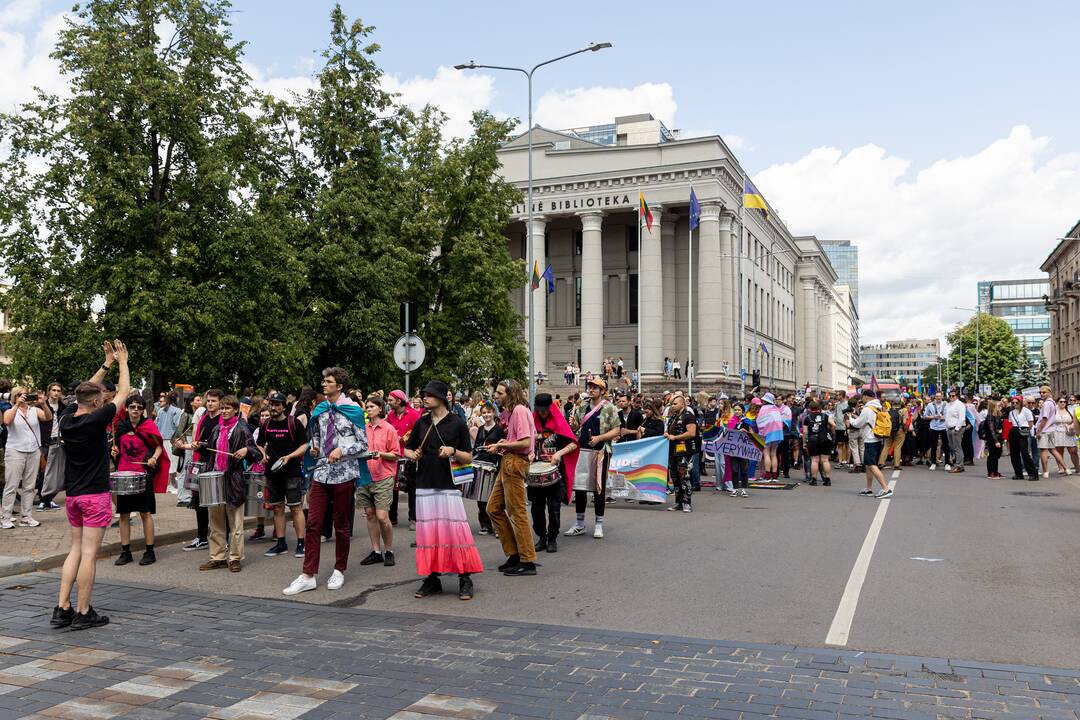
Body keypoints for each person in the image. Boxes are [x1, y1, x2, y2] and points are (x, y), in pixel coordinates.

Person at [52, 340, 130, 630]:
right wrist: (122, 361)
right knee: (88, 554)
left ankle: (62, 607)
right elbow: (122, 392)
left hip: (73, 496)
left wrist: (106, 363)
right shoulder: (98, 417)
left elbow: (82, 392)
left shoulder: (67, 418)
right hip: (94, 494)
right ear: (97, 401)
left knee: (74, 550)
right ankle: (83, 611)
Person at [284, 367, 369, 595]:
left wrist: (342, 449)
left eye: (328, 381)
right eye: (324, 380)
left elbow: (363, 445)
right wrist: (314, 447)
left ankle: (339, 569)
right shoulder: (320, 409)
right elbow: (318, 436)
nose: (324, 384)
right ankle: (308, 574)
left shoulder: (353, 410)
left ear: (339, 386)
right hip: (321, 473)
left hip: (344, 474)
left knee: (341, 525)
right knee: (314, 523)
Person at [405, 380, 483, 600]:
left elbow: (468, 456)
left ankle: (465, 578)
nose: (424, 398)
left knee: (455, 533)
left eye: (428, 395)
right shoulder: (422, 423)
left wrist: (452, 451)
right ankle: (432, 578)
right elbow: (408, 449)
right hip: (424, 484)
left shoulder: (457, 423)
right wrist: (412, 455)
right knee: (428, 535)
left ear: (439, 398)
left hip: (448, 485)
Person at [199, 395, 262, 573]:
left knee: (235, 524)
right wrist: (198, 446)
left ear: (235, 410)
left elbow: (256, 453)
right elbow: (210, 449)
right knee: (215, 522)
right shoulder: (217, 429)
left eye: (228, 408)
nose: (225, 411)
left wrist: (246, 449)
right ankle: (217, 557)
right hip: (216, 478)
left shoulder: (242, 428)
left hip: (234, 479)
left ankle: (234, 558)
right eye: (223, 408)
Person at [111, 393, 170, 567]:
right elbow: (117, 450)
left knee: (145, 513)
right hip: (124, 474)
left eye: (139, 407)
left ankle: (150, 551)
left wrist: (154, 458)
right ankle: (125, 551)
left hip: (143, 475)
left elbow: (159, 446)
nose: (135, 410)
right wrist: (114, 451)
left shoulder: (148, 425)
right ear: (127, 409)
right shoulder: (120, 427)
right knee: (123, 514)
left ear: (143, 410)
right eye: (132, 407)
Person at [487, 379, 537, 576]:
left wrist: (502, 445)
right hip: (508, 461)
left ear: (510, 393)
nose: (496, 396)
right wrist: (502, 443)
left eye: (500, 393)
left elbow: (525, 442)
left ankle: (527, 559)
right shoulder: (511, 412)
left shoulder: (519, 411)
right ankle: (514, 554)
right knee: (493, 509)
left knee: (517, 512)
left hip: (515, 462)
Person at [566, 378, 620, 538]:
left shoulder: (610, 407)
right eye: (590, 387)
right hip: (582, 450)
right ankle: (579, 523)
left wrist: (600, 438)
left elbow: (616, 430)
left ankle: (599, 524)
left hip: (601, 451)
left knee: (599, 488)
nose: (591, 390)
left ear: (603, 391)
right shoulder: (582, 405)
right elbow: (575, 426)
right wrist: (572, 423)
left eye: (595, 387)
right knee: (580, 487)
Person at [259, 393, 308, 559]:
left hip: (292, 473)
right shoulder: (265, 424)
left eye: (277, 405)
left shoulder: (293, 423)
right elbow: (258, 444)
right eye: (271, 404)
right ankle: (281, 543)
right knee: (277, 508)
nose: (273, 408)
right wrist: (263, 454)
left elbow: (304, 446)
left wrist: (289, 457)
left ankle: (301, 543)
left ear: (284, 407)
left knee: (295, 508)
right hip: (273, 474)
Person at [531, 393, 578, 553]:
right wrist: (529, 453)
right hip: (536, 474)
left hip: (555, 473)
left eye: (545, 410)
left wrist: (559, 454)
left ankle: (552, 539)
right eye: (540, 410)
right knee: (536, 508)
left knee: (553, 507)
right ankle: (541, 538)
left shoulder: (559, 421)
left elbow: (573, 444)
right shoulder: (532, 421)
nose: (542, 413)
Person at [2, 386, 52, 528]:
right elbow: (7, 421)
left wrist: (43, 404)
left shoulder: (34, 410)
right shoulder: (10, 410)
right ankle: (5, 517)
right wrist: (17, 405)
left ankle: (26, 517)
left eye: (26, 394)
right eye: (20, 395)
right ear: (15, 397)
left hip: (33, 450)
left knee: (29, 486)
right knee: (11, 485)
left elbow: (48, 418)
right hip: (15, 451)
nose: (24, 397)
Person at [357, 394, 397, 568]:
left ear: (380, 409)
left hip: (383, 477)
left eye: (372, 406)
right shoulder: (362, 429)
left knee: (382, 517)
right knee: (370, 515)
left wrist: (381, 454)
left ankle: (389, 550)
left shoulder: (389, 429)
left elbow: (396, 454)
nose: (368, 408)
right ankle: (376, 552)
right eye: (367, 406)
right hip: (364, 476)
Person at [181, 390, 222, 552]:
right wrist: (186, 446)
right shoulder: (204, 418)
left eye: (213, 401)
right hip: (202, 463)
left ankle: (222, 538)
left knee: (217, 503)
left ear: (220, 402)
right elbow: (197, 440)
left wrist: (202, 446)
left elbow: (220, 444)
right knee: (199, 502)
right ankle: (202, 537)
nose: (210, 403)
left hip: (216, 465)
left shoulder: (222, 419)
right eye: (208, 400)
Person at [386, 389, 420, 528]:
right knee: (393, 487)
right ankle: (392, 518)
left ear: (399, 401)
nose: (388, 403)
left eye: (390, 400)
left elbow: (419, 432)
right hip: (394, 456)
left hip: (408, 455)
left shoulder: (413, 414)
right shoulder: (390, 415)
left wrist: (407, 438)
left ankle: (413, 518)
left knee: (412, 487)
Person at [850, 390, 891, 498]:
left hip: (870, 439)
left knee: (871, 465)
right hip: (878, 438)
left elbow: (858, 424)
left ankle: (886, 488)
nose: (861, 400)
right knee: (869, 465)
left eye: (862, 397)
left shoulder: (867, 409)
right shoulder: (879, 407)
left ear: (866, 397)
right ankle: (868, 489)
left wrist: (850, 418)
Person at [469, 400, 502, 535]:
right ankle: (485, 525)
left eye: (488, 412)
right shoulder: (481, 429)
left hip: (494, 465)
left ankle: (498, 527)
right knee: (480, 497)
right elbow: (476, 445)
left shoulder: (499, 429)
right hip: (480, 465)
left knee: (494, 498)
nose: (487, 415)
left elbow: (501, 447)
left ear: (493, 413)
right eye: (484, 413)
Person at [664, 393, 697, 512]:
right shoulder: (673, 417)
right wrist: (667, 435)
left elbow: (691, 433)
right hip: (673, 451)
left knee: (685, 477)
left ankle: (687, 502)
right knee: (675, 478)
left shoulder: (688, 416)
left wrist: (675, 437)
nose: (672, 406)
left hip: (685, 452)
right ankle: (678, 502)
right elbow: (670, 432)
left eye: (675, 404)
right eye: (671, 404)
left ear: (683, 404)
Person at [36, 382, 65, 511]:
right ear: (49, 392)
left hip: (59, 441)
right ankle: (43, 499)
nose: (56, 393)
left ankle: (49, 499)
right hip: (44, 442)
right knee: (44, 472)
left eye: (58, 390)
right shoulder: (41, 406)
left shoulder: (64, 407)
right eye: (53, 390)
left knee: (57, 472)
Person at [802, 399, 835, 486]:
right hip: (824, 439)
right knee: (825, 460)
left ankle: (814, 480)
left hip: (813, 439)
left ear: (810, 408)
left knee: (815, 460)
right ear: (819, 407)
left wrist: (804, 443)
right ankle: (827, 480)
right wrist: (830, 432)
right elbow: (834, 425)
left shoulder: (807, 418)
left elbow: (805, 432)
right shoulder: (825, 416)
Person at [154, 391, 182, 491]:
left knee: (166, 462)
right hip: (171, 439)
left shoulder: (160, 410)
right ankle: (172, 485)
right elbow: (178, 424)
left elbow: (156, 424)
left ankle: (167, 485)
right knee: (174, 462)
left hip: (161, 439)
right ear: (176, 399)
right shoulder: (177, 410)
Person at [1005, 395, 1037, 480]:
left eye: (1017, 402)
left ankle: (1033, 473)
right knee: (1014, 454)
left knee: (1025, 453)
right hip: (1014, 431)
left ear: (1021, 402)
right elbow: (1010, 423)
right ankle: (1018, 473)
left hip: (1023, 430)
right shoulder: (1011, 412)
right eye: (1013, 403)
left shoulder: (1026, 411)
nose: (1015, 404)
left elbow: (1030, 423)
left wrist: (1027, 431)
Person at [755, 393, 784, 481]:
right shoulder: (776, 408)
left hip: (767, 432)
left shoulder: (763, 408)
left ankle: (767, 475)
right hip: (777, 433)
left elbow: (759, 421)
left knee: (766, 453)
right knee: (774, 454)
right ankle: (774, 475)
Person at [924, 392, 950, 470]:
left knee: (946, 446)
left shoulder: (946, 405)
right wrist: (933, 417)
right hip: (933, 427)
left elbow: (950, 416)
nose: (938, 398)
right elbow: (925, 416)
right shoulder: (930, 405)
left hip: (944, 427)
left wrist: (944, 417)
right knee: (933, 446)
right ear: (934, 397)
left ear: (942, 397)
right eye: (937, 396)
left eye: (940, 396)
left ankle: (947, 463)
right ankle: (933, 463)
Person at [982, 398, 1005, 478]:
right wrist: (996, 441)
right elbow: (991, 429)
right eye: (998, 405)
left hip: (998, 437)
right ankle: (991, 472)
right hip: (992, 438)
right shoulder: (990, 416)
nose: (1000, 406)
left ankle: (995, 471)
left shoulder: (997, 415)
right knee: (992, 455)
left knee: (996, 456)